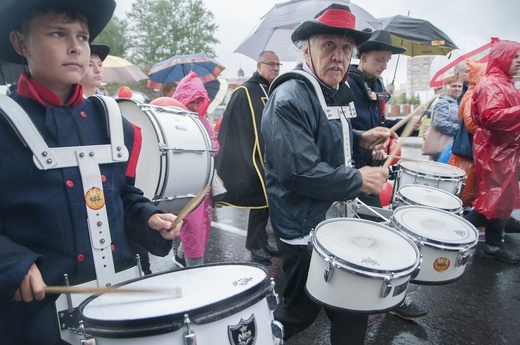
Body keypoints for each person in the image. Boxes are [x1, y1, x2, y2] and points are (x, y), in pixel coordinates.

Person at [0, 1, 183, 343]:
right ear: (21, 43)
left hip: (117, 308)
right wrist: (11, 263)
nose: (75, 46)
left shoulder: (114, 123)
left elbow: (119, 196)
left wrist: (147, 218)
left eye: (82, 36)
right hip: (35, 323)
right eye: (58, 33)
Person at [261, 4, 396, 344]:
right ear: (305, 49)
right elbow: (299, 171)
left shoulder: (332, 90)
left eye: (347, 48)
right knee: (297, 312)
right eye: (329, 45)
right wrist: (358, 179)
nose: (339, 56)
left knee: (353, 307)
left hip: (333, 219)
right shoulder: (290, 96)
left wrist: (360, 139)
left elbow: (326, 141)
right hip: (304, 227)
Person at [347, 29, 428, 320]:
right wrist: (369, 151)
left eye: (387, 60)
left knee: (375, 233)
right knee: (369, 234)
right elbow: (349, 129)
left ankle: (388, 296)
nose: (383, 64)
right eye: (379, 59)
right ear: (364, 56)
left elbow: (379, 123)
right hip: (352, 171)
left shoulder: (377, 83)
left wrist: (409, 124)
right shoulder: (348, 84)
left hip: (370, 166)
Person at [215, 50, 281, 262]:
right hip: (250, 155)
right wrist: (244, 157)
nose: (275, 68)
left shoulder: (272, 90)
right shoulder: (244, 91)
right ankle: (254, 245)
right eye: (271, 64)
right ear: (259, 66)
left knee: (266, 203)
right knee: (260, 201)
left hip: (270, 156)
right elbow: (234, 127)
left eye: (278, 65)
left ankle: (261, 242)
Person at [464, 39, 520, 264]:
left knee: (499, 198)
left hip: (505, 149)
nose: (519, 62)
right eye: (515, 57)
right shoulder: (491, 84)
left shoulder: (505, 83)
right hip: (495, 149)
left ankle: (493, 244)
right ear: (503, 57)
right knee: (493, 198)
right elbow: (489, 116)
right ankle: (459, 235)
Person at [171, 71, 220, 267]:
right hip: (184, 185)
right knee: (193, 228)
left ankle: (183, 256)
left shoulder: (204, 120)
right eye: (191, 100)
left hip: (203, 185)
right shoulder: (174, 122)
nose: (194, 105)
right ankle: (195, 272)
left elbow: (215, 145)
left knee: (202, 227)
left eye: (198, 101)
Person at [427, 75, 463, 161]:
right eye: (454, 86)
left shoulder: (456, 103)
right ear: (446, 87)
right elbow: (439, 123)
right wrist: (460, 131)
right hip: (441, 149)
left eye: (459, 86)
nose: (457, 89)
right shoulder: (443, 103)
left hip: (448, 148)